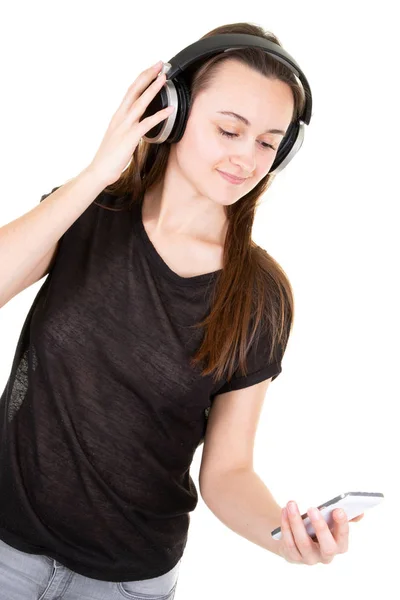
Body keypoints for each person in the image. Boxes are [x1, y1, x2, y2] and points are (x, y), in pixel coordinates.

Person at [0, 21, 363, 600]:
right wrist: (99, 171)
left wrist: (283, 536)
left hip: (125, 583)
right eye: (229, 129)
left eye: (268, 142)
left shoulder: (260, 295)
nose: (246, 158)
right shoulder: (89, 213)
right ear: (171, 111)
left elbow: (227, 471)